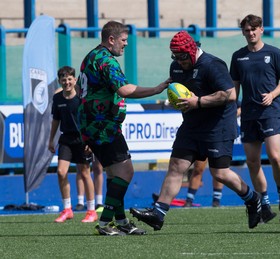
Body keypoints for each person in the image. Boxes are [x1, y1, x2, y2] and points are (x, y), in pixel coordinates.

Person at [130, 31, 262, 231]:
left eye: (182, 57)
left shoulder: (212, 65)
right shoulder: (175, 67)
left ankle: (252, 199)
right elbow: (181, 94)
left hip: (217, 126)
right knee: (176, 166)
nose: (179, 61)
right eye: (175, 57)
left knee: (220, 173)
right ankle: (158, 213)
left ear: (192, 51)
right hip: (192, 125)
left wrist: (197, 101)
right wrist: (178, 102)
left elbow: (230, 94)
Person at [77, 20, 170, 236]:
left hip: (92, 124)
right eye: (123, 40)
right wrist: (157, 89)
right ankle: (104, 223)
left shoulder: (91, 56)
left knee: (114, 174)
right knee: (126, 171)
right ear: (111, 39)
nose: (126, 44)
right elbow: (125, 89)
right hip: (102, 125)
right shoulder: (106, 60)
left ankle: (121, 221)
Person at [230, 14, 280, 224]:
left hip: (271, 112)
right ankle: (265, 204)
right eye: (247, 30)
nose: (251, 33)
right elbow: (234, 89)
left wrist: (273, 94)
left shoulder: (273, 53)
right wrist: (232, 109)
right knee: (252, 161)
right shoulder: (238, 56)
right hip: (248, 114)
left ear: (262, 29)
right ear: (243, 32)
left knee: (275, 157)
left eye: (254, 29)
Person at [48, 66, 97, 223]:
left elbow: (91, 118)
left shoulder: (83, 97)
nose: (67, 82)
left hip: (82, 140)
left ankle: (91, 210)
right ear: (60, 81)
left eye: (69, 79)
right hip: (66, 139)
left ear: (75, 80)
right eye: (64, 79)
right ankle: (67, 209)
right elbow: (56, 120)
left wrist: (90, 140)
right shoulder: (57, 99)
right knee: (61, 172)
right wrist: (51, 140)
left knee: (84, 173)